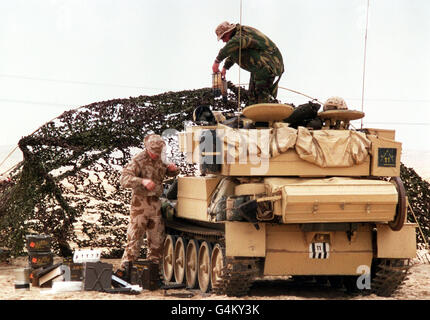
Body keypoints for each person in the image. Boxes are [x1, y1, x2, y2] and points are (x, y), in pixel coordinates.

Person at [116, 134, 179, 278]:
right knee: (134, 239)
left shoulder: (160, 158)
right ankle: (125, 272)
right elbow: (124, 179)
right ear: (147, 148)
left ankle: (153, 274)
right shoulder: (138, 160)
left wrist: (173, 169)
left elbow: (167, 171)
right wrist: (142, 181)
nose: (156, 155)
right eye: (154, 153)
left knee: (157, 240)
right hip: (140, 204)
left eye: (159, 153)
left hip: (155, 203)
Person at [212, 21, 284, 104]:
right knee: (252, 97)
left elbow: (235, 44)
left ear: (228, 32)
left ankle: (263, 112)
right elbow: (234, 54)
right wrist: (225, 68)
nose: (223, 41)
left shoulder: (242, 34)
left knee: (261, 94)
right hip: (259, 68)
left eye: (223, 37)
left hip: (269, 65)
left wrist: (217, 61)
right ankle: (254, 109)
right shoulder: (237, 37)